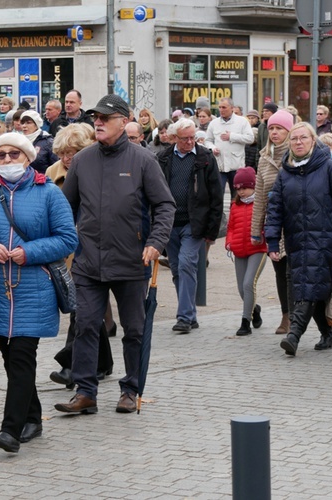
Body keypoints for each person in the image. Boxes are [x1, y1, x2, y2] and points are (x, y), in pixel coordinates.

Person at [55, 94, 175, 415]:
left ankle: (130, 388)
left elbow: (164, 205)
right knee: (86, 325)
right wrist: (66, 240)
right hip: (88, 261)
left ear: (124, 121)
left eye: (105, 118)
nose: (98, 122)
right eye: (95, 117)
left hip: (132, 261)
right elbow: (66, 207)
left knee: (133, 330)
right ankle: (85, 391)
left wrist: (155, 241)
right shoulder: (82, 160)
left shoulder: (143, 160)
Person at [0, 132, 78, 452]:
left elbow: (68, 239)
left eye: (15, 155)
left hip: (35, 288)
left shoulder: (48, 193)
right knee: (11, 360)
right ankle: (33, 418)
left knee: (23, 358)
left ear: (27, 158)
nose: (8, 160)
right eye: (2, 155)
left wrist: (30, 252)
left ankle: (10, 431)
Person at [266, 122, 332, 356]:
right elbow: (274, 210)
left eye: (303, 138)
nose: (298, 142)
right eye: (294, 139)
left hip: (327, 241)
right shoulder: (285, 173)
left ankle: (293, 336)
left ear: (313, 141)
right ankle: (327, 333)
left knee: (309, 288)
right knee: (312, 288)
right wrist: (273, 242)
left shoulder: (329, 168)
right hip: (297, 242)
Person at [46, 123, 115, 389]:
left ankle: (69, 365)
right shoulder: (52, 172)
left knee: (83, 309)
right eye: (63, 152)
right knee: (86, 310)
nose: (67, 158)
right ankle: (103, 363)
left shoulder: (96, 170)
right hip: (65, 250)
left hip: (92, 247)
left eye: (73, 151)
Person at [157, 118, 223, 333]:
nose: (190, 142)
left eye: (193, 137)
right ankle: (190, 313)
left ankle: (184, 317)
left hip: (194, 224)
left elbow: (216, 196)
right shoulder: (164, 158)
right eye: (185, 139)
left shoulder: (205, 158)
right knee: (177, 269)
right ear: (174, 138)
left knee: (186, 264)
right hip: (170, 224)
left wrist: (211, 230)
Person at [251, 109, 294, 334]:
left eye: (279, 129)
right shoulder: (264, 157)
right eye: (271, 129)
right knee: (280, 272)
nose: (275, 133)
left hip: (297, 224)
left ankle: (300, 313)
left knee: (296, 271)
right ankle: (286, 315)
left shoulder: (296, 154)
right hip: (275, 224)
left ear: (289, 131)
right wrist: (256, 229)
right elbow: (258, 195)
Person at [225, 167, 267, 336]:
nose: (241, 192)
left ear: (253, 186)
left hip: (258, 249)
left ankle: (245, 322)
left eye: (244, 188)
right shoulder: (235, 205)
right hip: (239, 250)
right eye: (238, 188)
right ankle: (254, 309)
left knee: (249, 283)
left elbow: (267, 225)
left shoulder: (261, 203)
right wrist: (229, 242)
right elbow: (230, 228)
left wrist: (261, 236)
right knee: (242, 289)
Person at [205, 97, 255, 199]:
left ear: (232, 108)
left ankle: (235, 214)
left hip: (236, 166)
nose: (221, 110)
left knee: (237, 196)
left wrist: (232, 136)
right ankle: (220, 214)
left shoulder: (242, 122)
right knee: (218, 194)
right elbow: (207, 140)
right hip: (220, 165)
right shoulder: (214, 123)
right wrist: (212, 148)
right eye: (219, 107)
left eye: (224, 107)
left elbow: (250, 138)